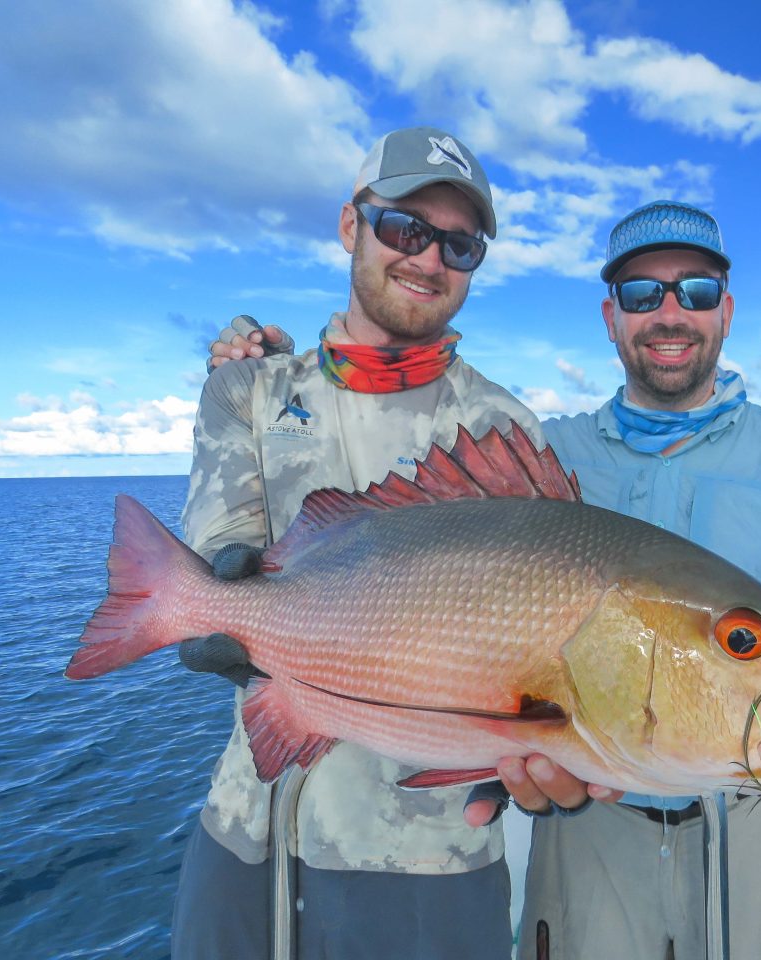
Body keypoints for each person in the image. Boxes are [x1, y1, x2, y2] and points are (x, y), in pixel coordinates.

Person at [209, 201, 761, 958]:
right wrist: (288, 373)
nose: (670, 313)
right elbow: (400, 512)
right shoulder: (546, 447)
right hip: (589, 827)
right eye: (642, 293)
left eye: (697, 291)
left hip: (754, 831)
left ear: (726, 311)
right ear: (611, 316)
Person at [173, 124, 590, 960]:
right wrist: (209, 601)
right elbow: (216, 553)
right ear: (349, 225)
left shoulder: (503, 429)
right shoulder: (248, 390)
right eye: (405, 227)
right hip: (248, 826)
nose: (429, 258)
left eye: (459, 245)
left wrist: (567, 743)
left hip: (430, 861)